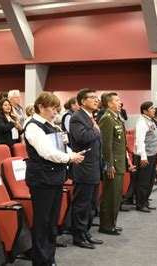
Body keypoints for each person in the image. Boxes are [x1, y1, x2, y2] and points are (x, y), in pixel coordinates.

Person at [24, 91, 84, 266]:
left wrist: (73, 154)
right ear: (40, 106)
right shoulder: (33, 126)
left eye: (57, 108)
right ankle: (41, 260)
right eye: (52, 108)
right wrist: (69, 158)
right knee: (42, 222)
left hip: (54, 178)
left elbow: (62, 147)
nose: (55, 112)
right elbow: (47, 152)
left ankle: (49, 258)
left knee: (51, 221)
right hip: (41, 180)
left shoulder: (51, 125)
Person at [69, 89, 103, 248]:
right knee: (81, 204)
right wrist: (96, 130)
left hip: (94, 166)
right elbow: (82, 137)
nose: (96, 100)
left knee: (91, 204)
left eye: (97, 98)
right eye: (92, 98)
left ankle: (86, 233)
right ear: (83, 101)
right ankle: (78, 236)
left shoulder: (90, 117)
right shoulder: (76, 118)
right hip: (84, 167)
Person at [98, 92, 127, 234]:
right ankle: (106, 225)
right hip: (113, 164)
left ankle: (112, 223)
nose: (120, 103)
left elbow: (120, 143)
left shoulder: (116, 118)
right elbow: (106, 145)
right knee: (110, 195)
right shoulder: (107, 119)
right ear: (109, 104)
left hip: (119, 162)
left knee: (116, 196)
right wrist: (108, 164)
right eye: (117, 100)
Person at [133, 101, 157, 213]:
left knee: (149, 180)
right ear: (145, 111)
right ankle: (140, 204)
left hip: (152, 154)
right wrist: (143, 157)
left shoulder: (150, 121)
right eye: (152, 108)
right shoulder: (142, 122)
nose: (154, 110)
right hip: (145, 156)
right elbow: (140, 141)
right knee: (143, 181)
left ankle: (145, 201)